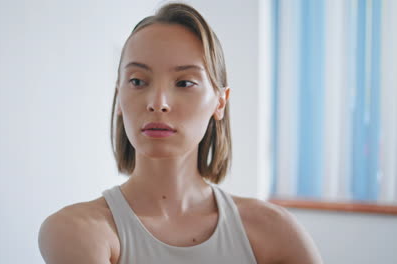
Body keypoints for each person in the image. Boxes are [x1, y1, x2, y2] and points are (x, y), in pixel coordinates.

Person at [38, 2, 323, 264]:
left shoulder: (274, 229)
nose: (157, 103)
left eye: (185, 83)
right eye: (137, 81)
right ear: (119, 98)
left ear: (220, 102)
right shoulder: (78, 230)